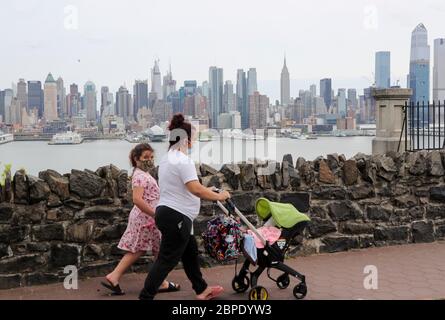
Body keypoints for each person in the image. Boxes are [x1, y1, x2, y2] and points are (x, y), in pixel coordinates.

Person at [139, 114, 231, 300]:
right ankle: (145, 296)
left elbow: (183, 187)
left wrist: (208, 190)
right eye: (193, 138)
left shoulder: (166, 159)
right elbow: (195, 189)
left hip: (168, 214)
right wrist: (220, 195)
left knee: (190, 254)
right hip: (177, 217)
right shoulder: (183, 160)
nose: (194, 142)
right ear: (186, 140)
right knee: (167, 259)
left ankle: (201, 289)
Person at [101, 143, 180, 295]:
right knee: (146, 249)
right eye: (145, 157)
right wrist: (155, 214)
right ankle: (158, 282)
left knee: (147, 249)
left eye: (151, 157)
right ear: (136, 159)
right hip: (147, 219)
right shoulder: (140, 177)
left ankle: (156, 281)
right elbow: (137, 199)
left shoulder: (141, 174)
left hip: (147, 219)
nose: (149, 160)